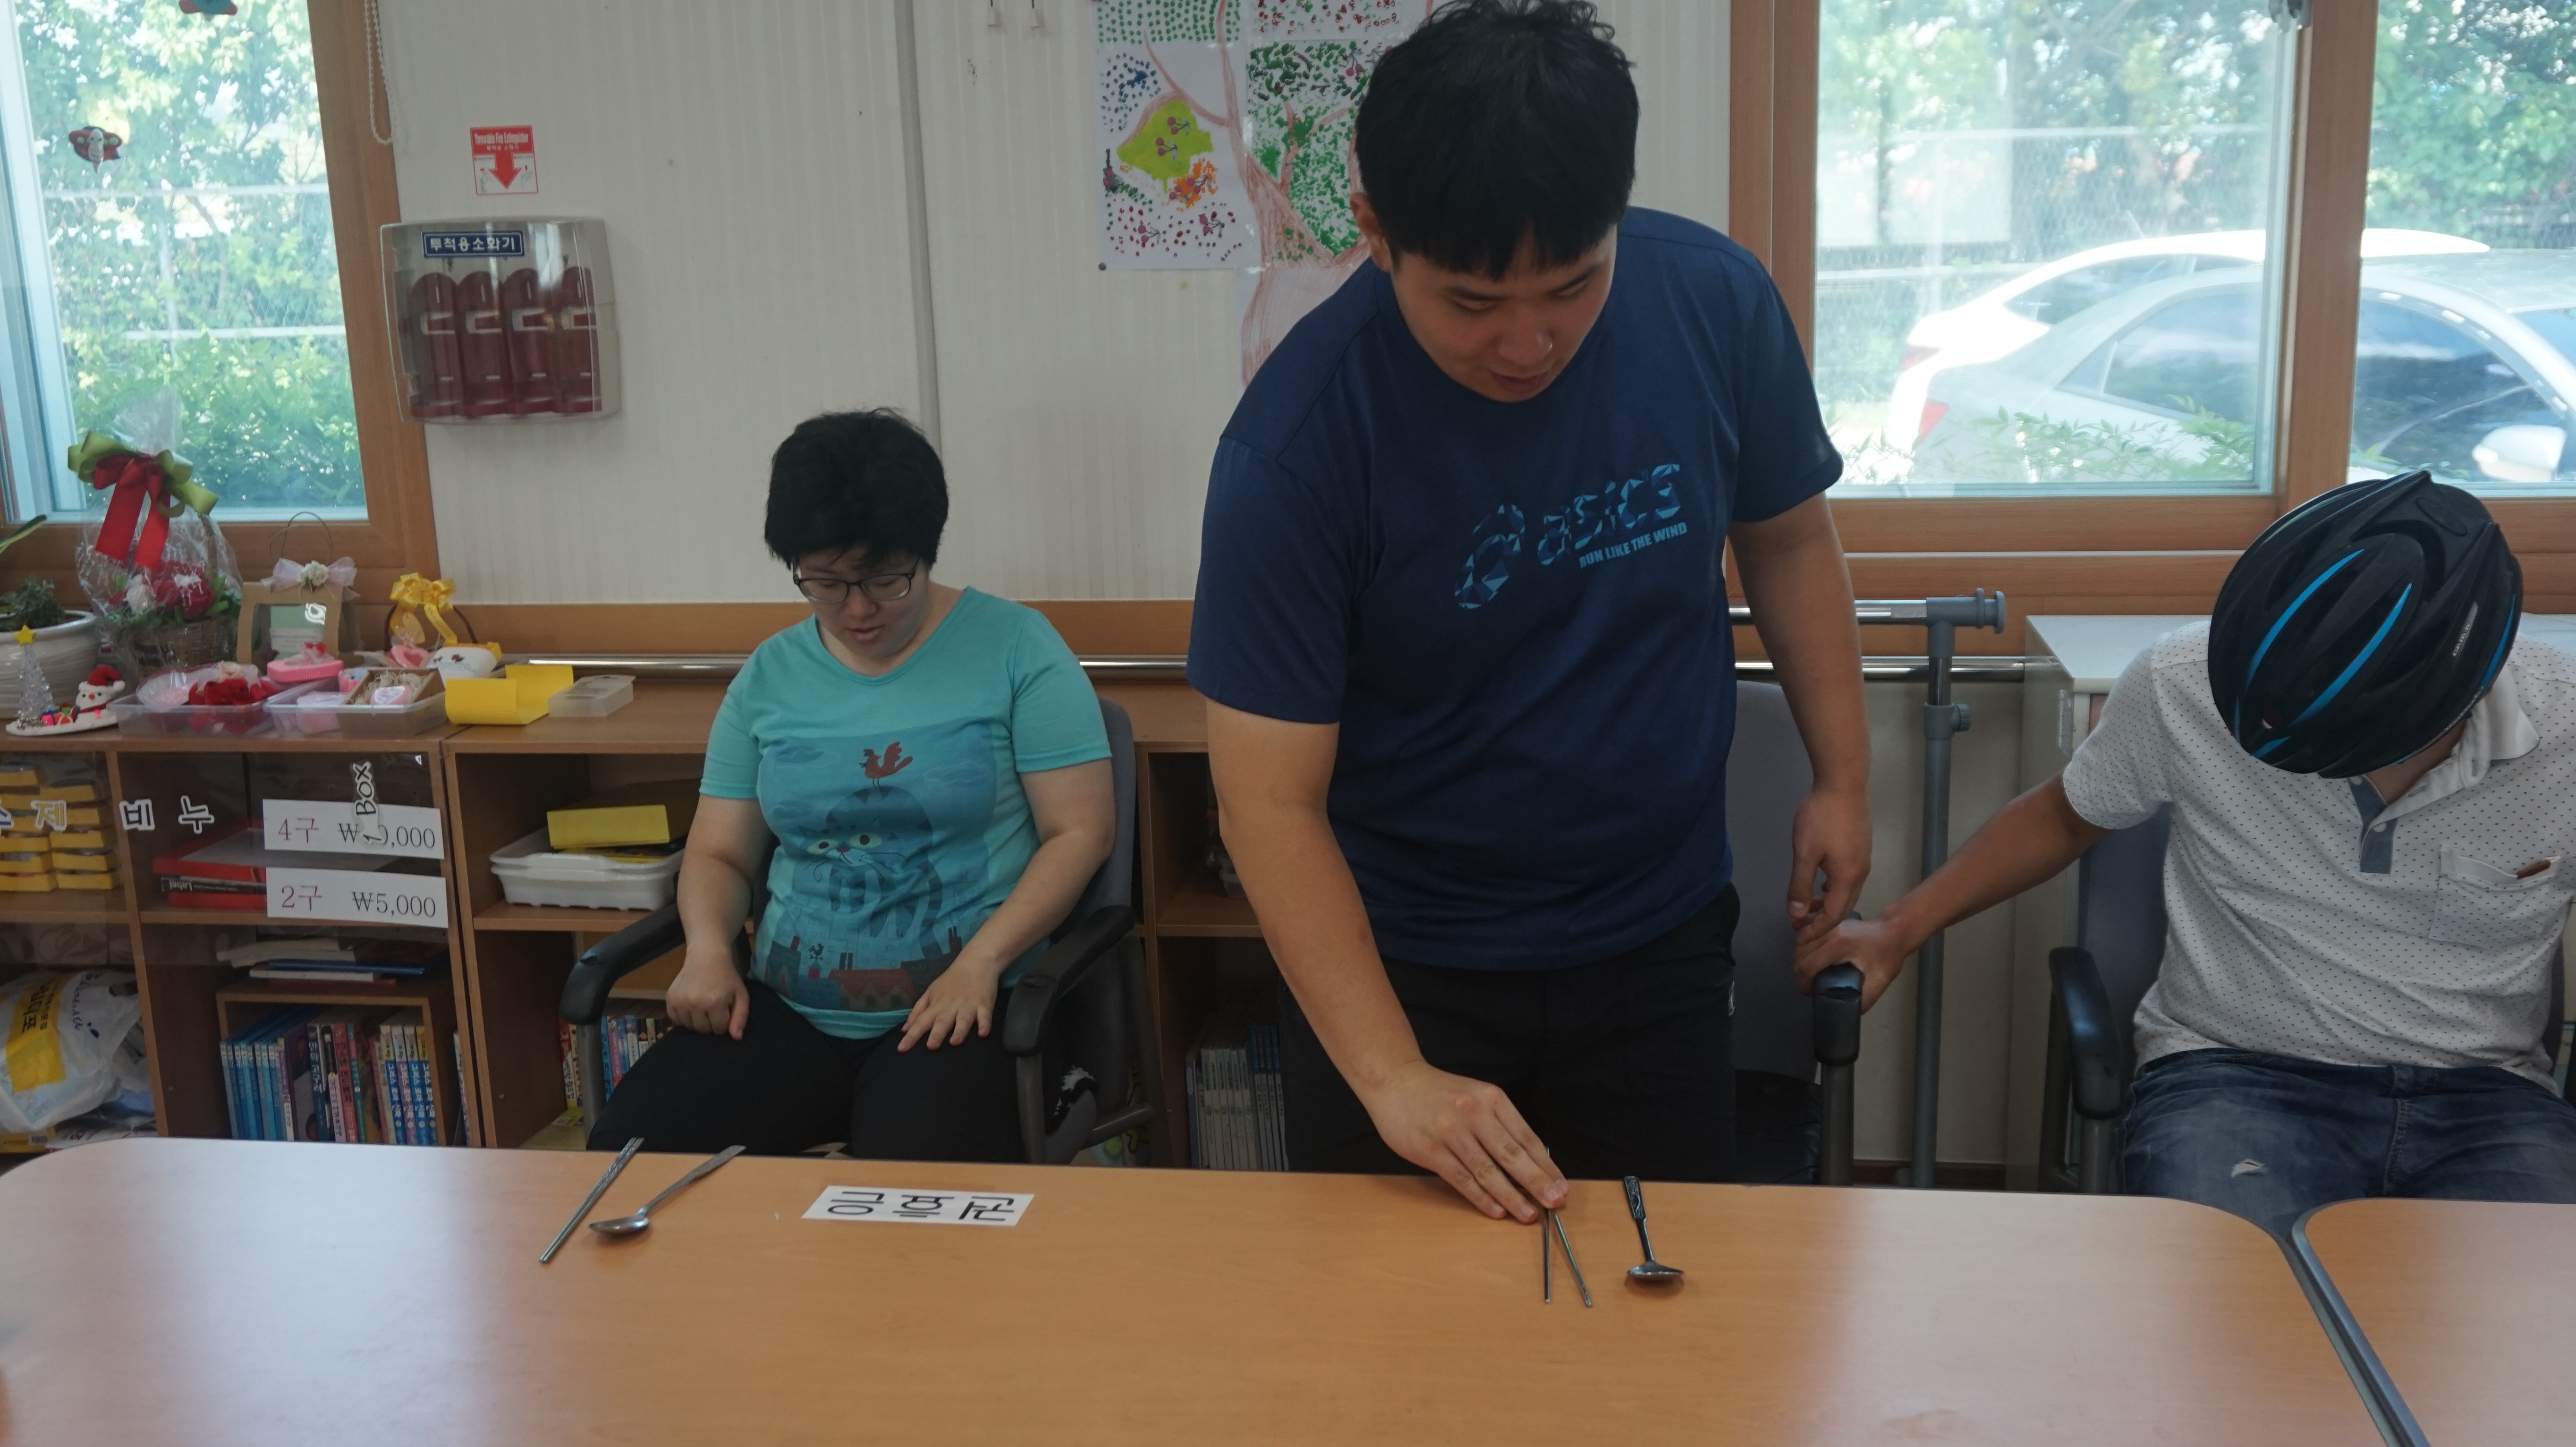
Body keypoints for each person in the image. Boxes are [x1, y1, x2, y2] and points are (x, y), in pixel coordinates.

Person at [1188, 0, 1870, 1223]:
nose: (1527, 344)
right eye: (1470, 303)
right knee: (1400, 1323)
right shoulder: (1295, 447)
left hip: (1658, 933)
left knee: (1659, 1284)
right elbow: (1266, 801)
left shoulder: (1714, 303)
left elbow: (1787, 537)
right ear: (1377, 233)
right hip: (1406, 961)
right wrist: (1393, 1077)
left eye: (1573, 285)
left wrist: (1845, 774)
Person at [1801, 473, 2576, 1235]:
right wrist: (1896, 929)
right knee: (2233, 1307)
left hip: (2489, 1098)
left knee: (2529, 1314)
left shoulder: (2565, 720)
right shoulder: (2185, 682)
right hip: (2235, 1077)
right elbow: (2063, 817)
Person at [589, 409, 1115, 1159]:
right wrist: (707, 951)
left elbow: (1079, 832)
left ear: (926, 553)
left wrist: (983, 964)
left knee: (907, 1194)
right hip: (785, 1011)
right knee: (631, 1155)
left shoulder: (1017, 648)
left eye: (885, 579)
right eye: (827, 584)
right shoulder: (769, 677)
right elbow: (719, 854)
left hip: (963, 1009)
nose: (859, 610)